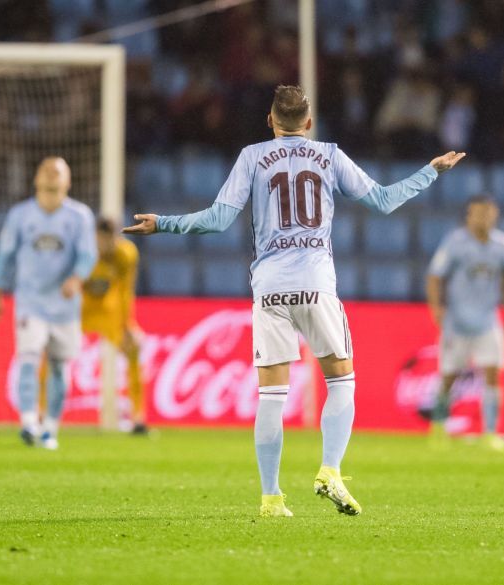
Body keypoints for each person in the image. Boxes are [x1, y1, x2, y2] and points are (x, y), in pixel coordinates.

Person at [123, 85, 465, 517]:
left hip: (269, 287)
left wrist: (163, 224)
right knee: (341, 381)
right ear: (309, 122)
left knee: (271, 395)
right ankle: (330, 470)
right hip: (316, 283)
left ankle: (271, 498)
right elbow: (383, 201)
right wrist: (431, 171)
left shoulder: (251, 157)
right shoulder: (329, 154)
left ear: (270, 120)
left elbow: (218, 219)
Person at [0, 157, 97, 450]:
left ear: (68, 181)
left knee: (59, 368)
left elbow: (88, 255)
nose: (51, 174)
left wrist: (77, 278)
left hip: (64, 308)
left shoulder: (79, 216)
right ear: (36, 179)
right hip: (30, 302)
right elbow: (5, 255)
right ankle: (28, 422)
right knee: (29, 358)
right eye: (46, 170)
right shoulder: (20, 215)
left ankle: (50, 427)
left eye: (57, 171)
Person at [425, 195, 504, 451]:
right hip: (457, 321)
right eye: (477, 213)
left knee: (493, 374)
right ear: (468, 216)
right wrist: (436, 308)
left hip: (488, 320)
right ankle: (438, 426)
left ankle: (490, 433)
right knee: (449, 377)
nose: (482, 218)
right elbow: (435, 275)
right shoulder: (455, 242)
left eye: (487, 213)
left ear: (495, 215)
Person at [40, 217, 146, 434]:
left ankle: (138, 418)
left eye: (110, 240)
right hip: (79, 309)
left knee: (133, 347)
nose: (105, 245)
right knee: (50, 350)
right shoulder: (81, 253)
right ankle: (41, 412)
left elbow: (126, 290)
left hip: (109, 311)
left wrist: (128, 324)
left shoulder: (126, 254)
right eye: (101, 240)